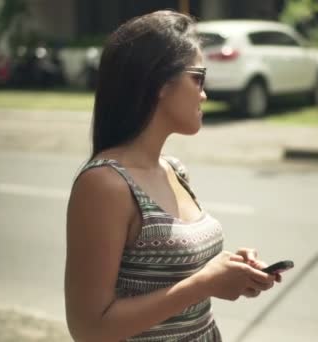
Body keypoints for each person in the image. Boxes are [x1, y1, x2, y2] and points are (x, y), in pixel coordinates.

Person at [65, 10, 281, 341]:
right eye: (198, 77)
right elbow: (89, 329)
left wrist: (231, 270)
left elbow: (175, 276)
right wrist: (205, 282)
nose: (204, 93)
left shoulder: (174, 169)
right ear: (160, 83)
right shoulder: (105, 184)